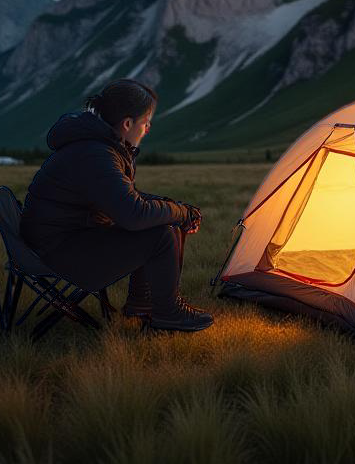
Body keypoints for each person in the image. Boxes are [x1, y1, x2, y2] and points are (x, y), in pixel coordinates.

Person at [20, 77, 213, 331]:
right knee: (161, 235)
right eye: (145, 122)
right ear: (127, 123)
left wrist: (172, 208)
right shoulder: (96, 154)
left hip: (58, 239)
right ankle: (167, 313)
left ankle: (143, 304)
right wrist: (178, 212)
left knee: (162, 222)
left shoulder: (95, 145)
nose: (148, 129)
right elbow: (133, 214)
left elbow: (123, 200)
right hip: (59, 252)